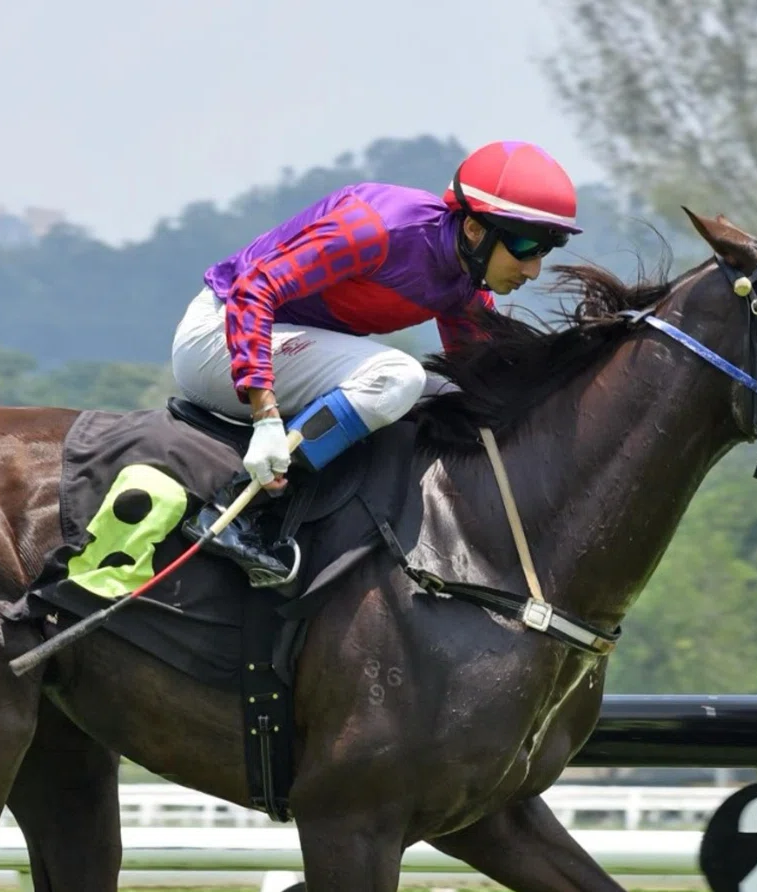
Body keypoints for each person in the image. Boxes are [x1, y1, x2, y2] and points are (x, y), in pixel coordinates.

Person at [171, 141, 583, 585]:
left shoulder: (464, 281)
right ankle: (236, 510)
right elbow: (254, 289)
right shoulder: (379, 228)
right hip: (220, 337)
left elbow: (485, 379)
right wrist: (266, 417)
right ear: (475, 230)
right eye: (525, 245)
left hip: (283, 344)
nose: (534, 269)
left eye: (547, 249)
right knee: (395, 377)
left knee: (455, 399)